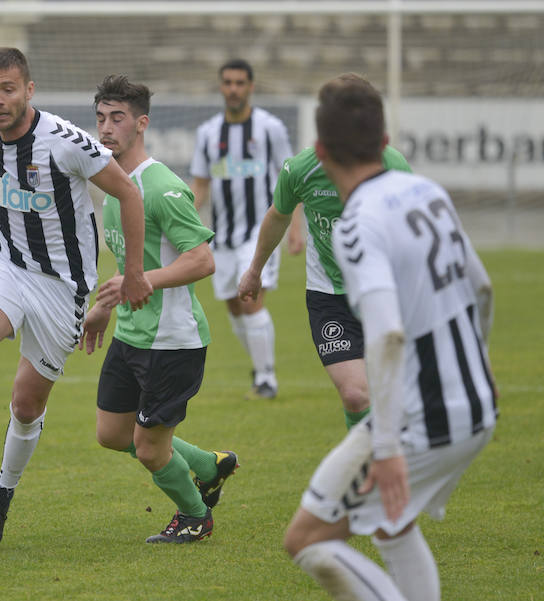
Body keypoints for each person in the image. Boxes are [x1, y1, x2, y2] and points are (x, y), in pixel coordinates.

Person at [0, 47, 153, 550]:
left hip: (61, 287)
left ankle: (0, 499)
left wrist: (133, 272)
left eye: (8, 89)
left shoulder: (67, 143)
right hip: (6, 263)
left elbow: (129, 195)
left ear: (29, 90)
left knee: (26, 405)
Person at [283, 76, 498, 601]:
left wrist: (385, 447)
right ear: (384, 142)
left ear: (320, 150)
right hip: (477, 404)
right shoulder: (429, 192)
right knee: (392, 525)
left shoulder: (357, 223)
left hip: (418, 418)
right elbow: (483, 287)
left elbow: (385, 333)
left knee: (306, 539)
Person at [81, 74, 239, 543]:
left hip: (172, 340)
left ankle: (195, 516)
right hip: (132, 333)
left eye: (118, 118)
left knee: (150, 449)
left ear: (141, 124)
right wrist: (106, 308)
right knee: (113, 434)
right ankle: (209, 466)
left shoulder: (163, 187)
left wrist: (142, 281)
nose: (106, 128)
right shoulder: (116, 186)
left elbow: (202, 259)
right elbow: (129, 266)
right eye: (101, 118)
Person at [238, 74, 412, 430]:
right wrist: (255, 269)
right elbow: (277, 215)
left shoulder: (393, 165)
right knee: (355, 395)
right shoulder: (301, 169)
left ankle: (384, 464)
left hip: (385, 292)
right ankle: (369, 467)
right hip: (329, 294)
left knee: (395, 396)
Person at [189, 59, 295, 400]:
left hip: (258, 234)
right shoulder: (208, 133)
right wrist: (186, 224)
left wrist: (296, 228)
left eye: (239, 83)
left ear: (251, 86)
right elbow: (201, 185)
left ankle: (267, 378)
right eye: (228, 82)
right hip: (222, 236)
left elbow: (289, 177)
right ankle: (259, 365)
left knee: (251, 301)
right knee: (234, 307)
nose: (233, 88)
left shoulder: (270, 129)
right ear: (221, 87)